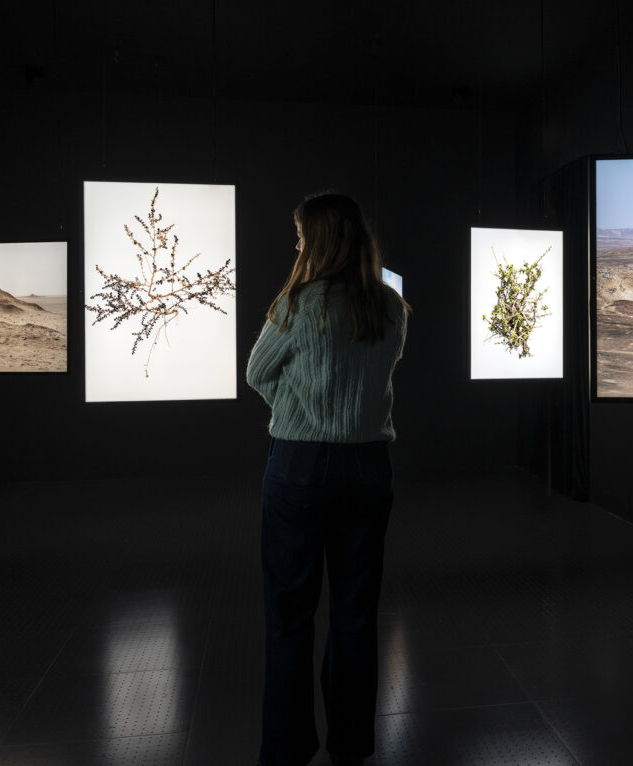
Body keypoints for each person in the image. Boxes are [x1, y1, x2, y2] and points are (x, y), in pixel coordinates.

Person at [245, 192, 409, 766]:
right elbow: (377, 374)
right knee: (356, 613)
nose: (295, 246)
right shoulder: (390, 308)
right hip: (367, 469)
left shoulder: (294, 306)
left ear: (316, 242)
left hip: (297, 467)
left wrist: (298, 407)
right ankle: (352, 745)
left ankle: (287, 749)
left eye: (299, 237)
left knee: (289, 615)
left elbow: (257, 372)